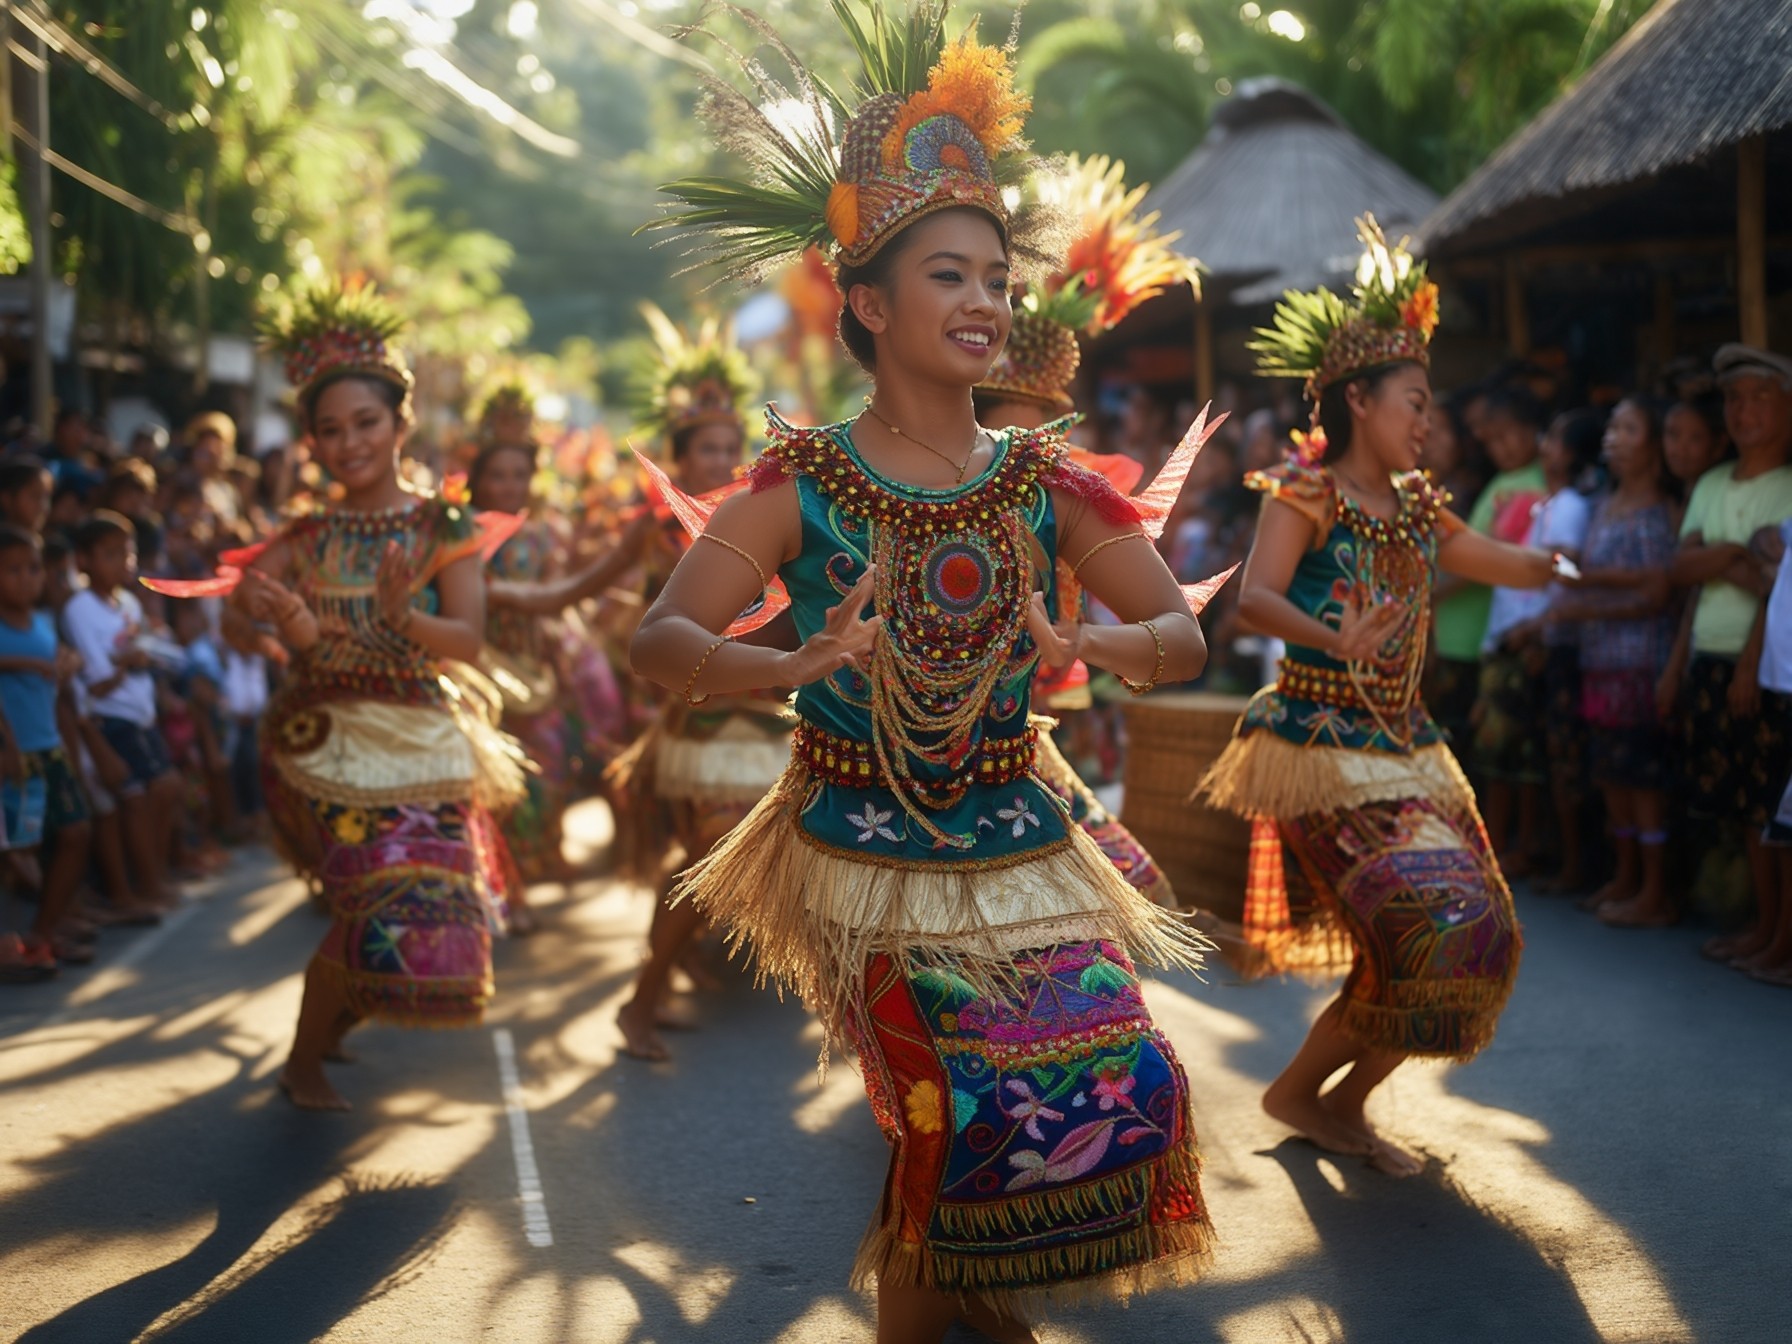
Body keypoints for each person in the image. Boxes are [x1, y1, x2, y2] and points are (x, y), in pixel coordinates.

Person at [641, 8, 1218, 1335]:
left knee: (1115, 1086)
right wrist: (794, 656)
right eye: (949, 276)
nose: (984, 304)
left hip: (1020, 835)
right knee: (951, 1121)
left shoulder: (1048, 481)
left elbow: (1181, 638)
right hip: (858, 838)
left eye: (996, 280)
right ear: (866, 303)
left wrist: (1087, 646)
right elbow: (663, 640)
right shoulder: (802, 483)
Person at [1203, 219, 1557, 1178]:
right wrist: (1331, 634)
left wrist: (1559, 560)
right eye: (1413, 402)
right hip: (1319, 747)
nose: (1425, 421)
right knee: (1420, 931)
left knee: (1481, 934)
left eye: (1428, 404)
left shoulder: (1419, 501)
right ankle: (1305, 1097)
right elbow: (1255, 600)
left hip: (1407, 742)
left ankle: (1336, 1100)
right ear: (1358, 400)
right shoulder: (1305, 493)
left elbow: (1489, 557)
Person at [158, 280, 525, 1111]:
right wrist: (274, 621)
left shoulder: (444, 527)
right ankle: (301, 1062)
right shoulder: (307, 536)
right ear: (313, 444)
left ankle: (327, 1034)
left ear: (401, 423)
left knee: (436, 912)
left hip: (427, 741)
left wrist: (405, 618)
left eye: (366, 423)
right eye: (330, 430)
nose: (349, 442)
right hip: (325, 744)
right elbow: (237, 626)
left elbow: (466, 640)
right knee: (372, 901)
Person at [972, 153, 1204, 908]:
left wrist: (1087, 643)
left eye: (1047, 433)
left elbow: (1177, 637)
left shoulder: (1066, 487)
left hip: (1033, 731)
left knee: (1138, 893)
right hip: (911, 781)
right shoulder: (888, 484)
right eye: (1011, 431)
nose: (1031, 452)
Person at [610, 303, 796, 1061]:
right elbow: (591, 594)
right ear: (676, 457)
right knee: (712, 851)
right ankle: (642, 1000)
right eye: (706, 448)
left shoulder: (768, 524)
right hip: (697, 730)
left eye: (732, 447)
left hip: (773, 720)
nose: (722, 461)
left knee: (750, 855)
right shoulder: (656, 532)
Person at [1672, 345, 1792, 973]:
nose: (1743, 410)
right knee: (1747, 807)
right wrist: (1735, 557)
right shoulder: (1714, 483)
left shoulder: (1790, 484)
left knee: (1773, 808)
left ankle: (1782, 936)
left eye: (1760, 397)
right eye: (1734, 398)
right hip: (1711, 659)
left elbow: (1778, 585)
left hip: (1766, 671)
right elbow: (1683, 566)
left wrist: (1751, 660)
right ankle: (1763, 926)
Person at [1550, 397, 1679, 925]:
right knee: (1612, 778)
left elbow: (1660, 590)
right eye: (1612, 429)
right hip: (1601, 661)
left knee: (1643, 781)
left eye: (1629, 429)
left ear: (1653, 444)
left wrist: (1587, 592)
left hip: (1643, 663)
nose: (1614, 439)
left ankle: (1656, 890)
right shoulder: (1601, 505)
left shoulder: (1664, 511)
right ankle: (1626, 878)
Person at [61, 511, 183, 914]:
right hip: (112, 718)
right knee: (136, 798)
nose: (123, 563)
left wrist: (143, 657)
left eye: (126, 554)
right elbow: (97, 682)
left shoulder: (128, 601)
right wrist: (129, 661)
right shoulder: (80, 608)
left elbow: (139, 655)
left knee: (164, 790)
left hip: (140, 712)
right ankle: (145, 884)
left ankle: (154, 876)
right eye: (110, 554)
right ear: (84, 560)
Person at [0, 525, 94, 971]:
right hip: (11, 752)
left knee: (75, 831)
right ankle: (14, 945)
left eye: (33, 569)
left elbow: (61, 660)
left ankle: (44, 929)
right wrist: (25, 663)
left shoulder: (41, 621)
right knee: (14, 852)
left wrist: (67, 661)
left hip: (49, 746)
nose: (26, 578)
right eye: (12, 570)